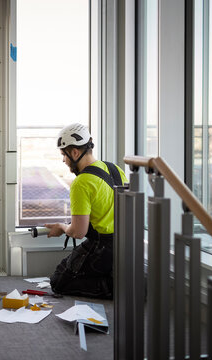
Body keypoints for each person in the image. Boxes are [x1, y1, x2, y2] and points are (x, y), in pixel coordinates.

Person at [45, 123, 127, 298]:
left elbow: (78, 232)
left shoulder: (82, 182)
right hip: (126, 245)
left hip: (104, 248)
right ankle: (116, 277)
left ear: (75, 152)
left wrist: (61, 226)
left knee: (58, 281)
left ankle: (113, 287)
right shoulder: (114, 169)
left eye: (64, 155)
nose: (63, 160)